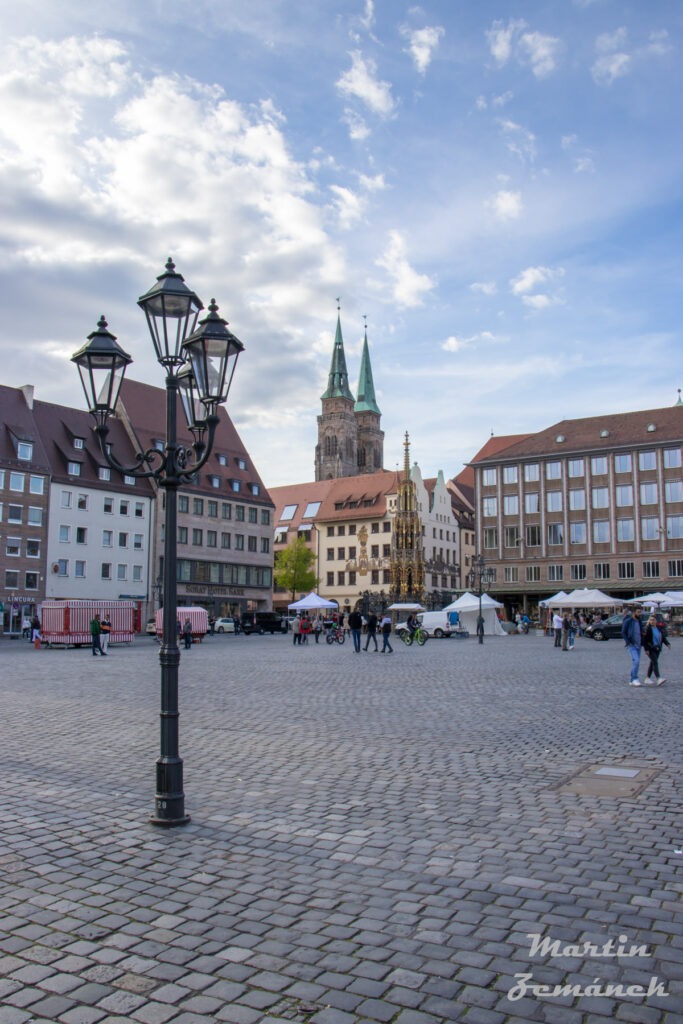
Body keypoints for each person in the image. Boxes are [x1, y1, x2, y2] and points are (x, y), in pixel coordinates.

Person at [643, 612, 669, 685]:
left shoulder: (658, 628)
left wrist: (667, 643)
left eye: (653, 620)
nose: (652, 621)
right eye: (651, 620)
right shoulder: (648, 629)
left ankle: (647, 678)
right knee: (655, 662)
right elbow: (644, 640)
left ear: (656, 621)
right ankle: (658, 678)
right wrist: (646, 649)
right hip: (651, 648)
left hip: (657, 648)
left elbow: (662, 637)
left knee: (652, 663)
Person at [621, 607, 643, 686]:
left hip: (639, 644)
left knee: (636, 662)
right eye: (638, 612)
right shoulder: (628, 621)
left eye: (640, 612)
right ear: (633, 613)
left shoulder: (639, 621)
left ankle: (631, 679)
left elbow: (640, 631)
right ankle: (634, 678)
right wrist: (628, 642)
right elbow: (623, 632)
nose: (640, 614)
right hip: (631, 645)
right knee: (636, 660)